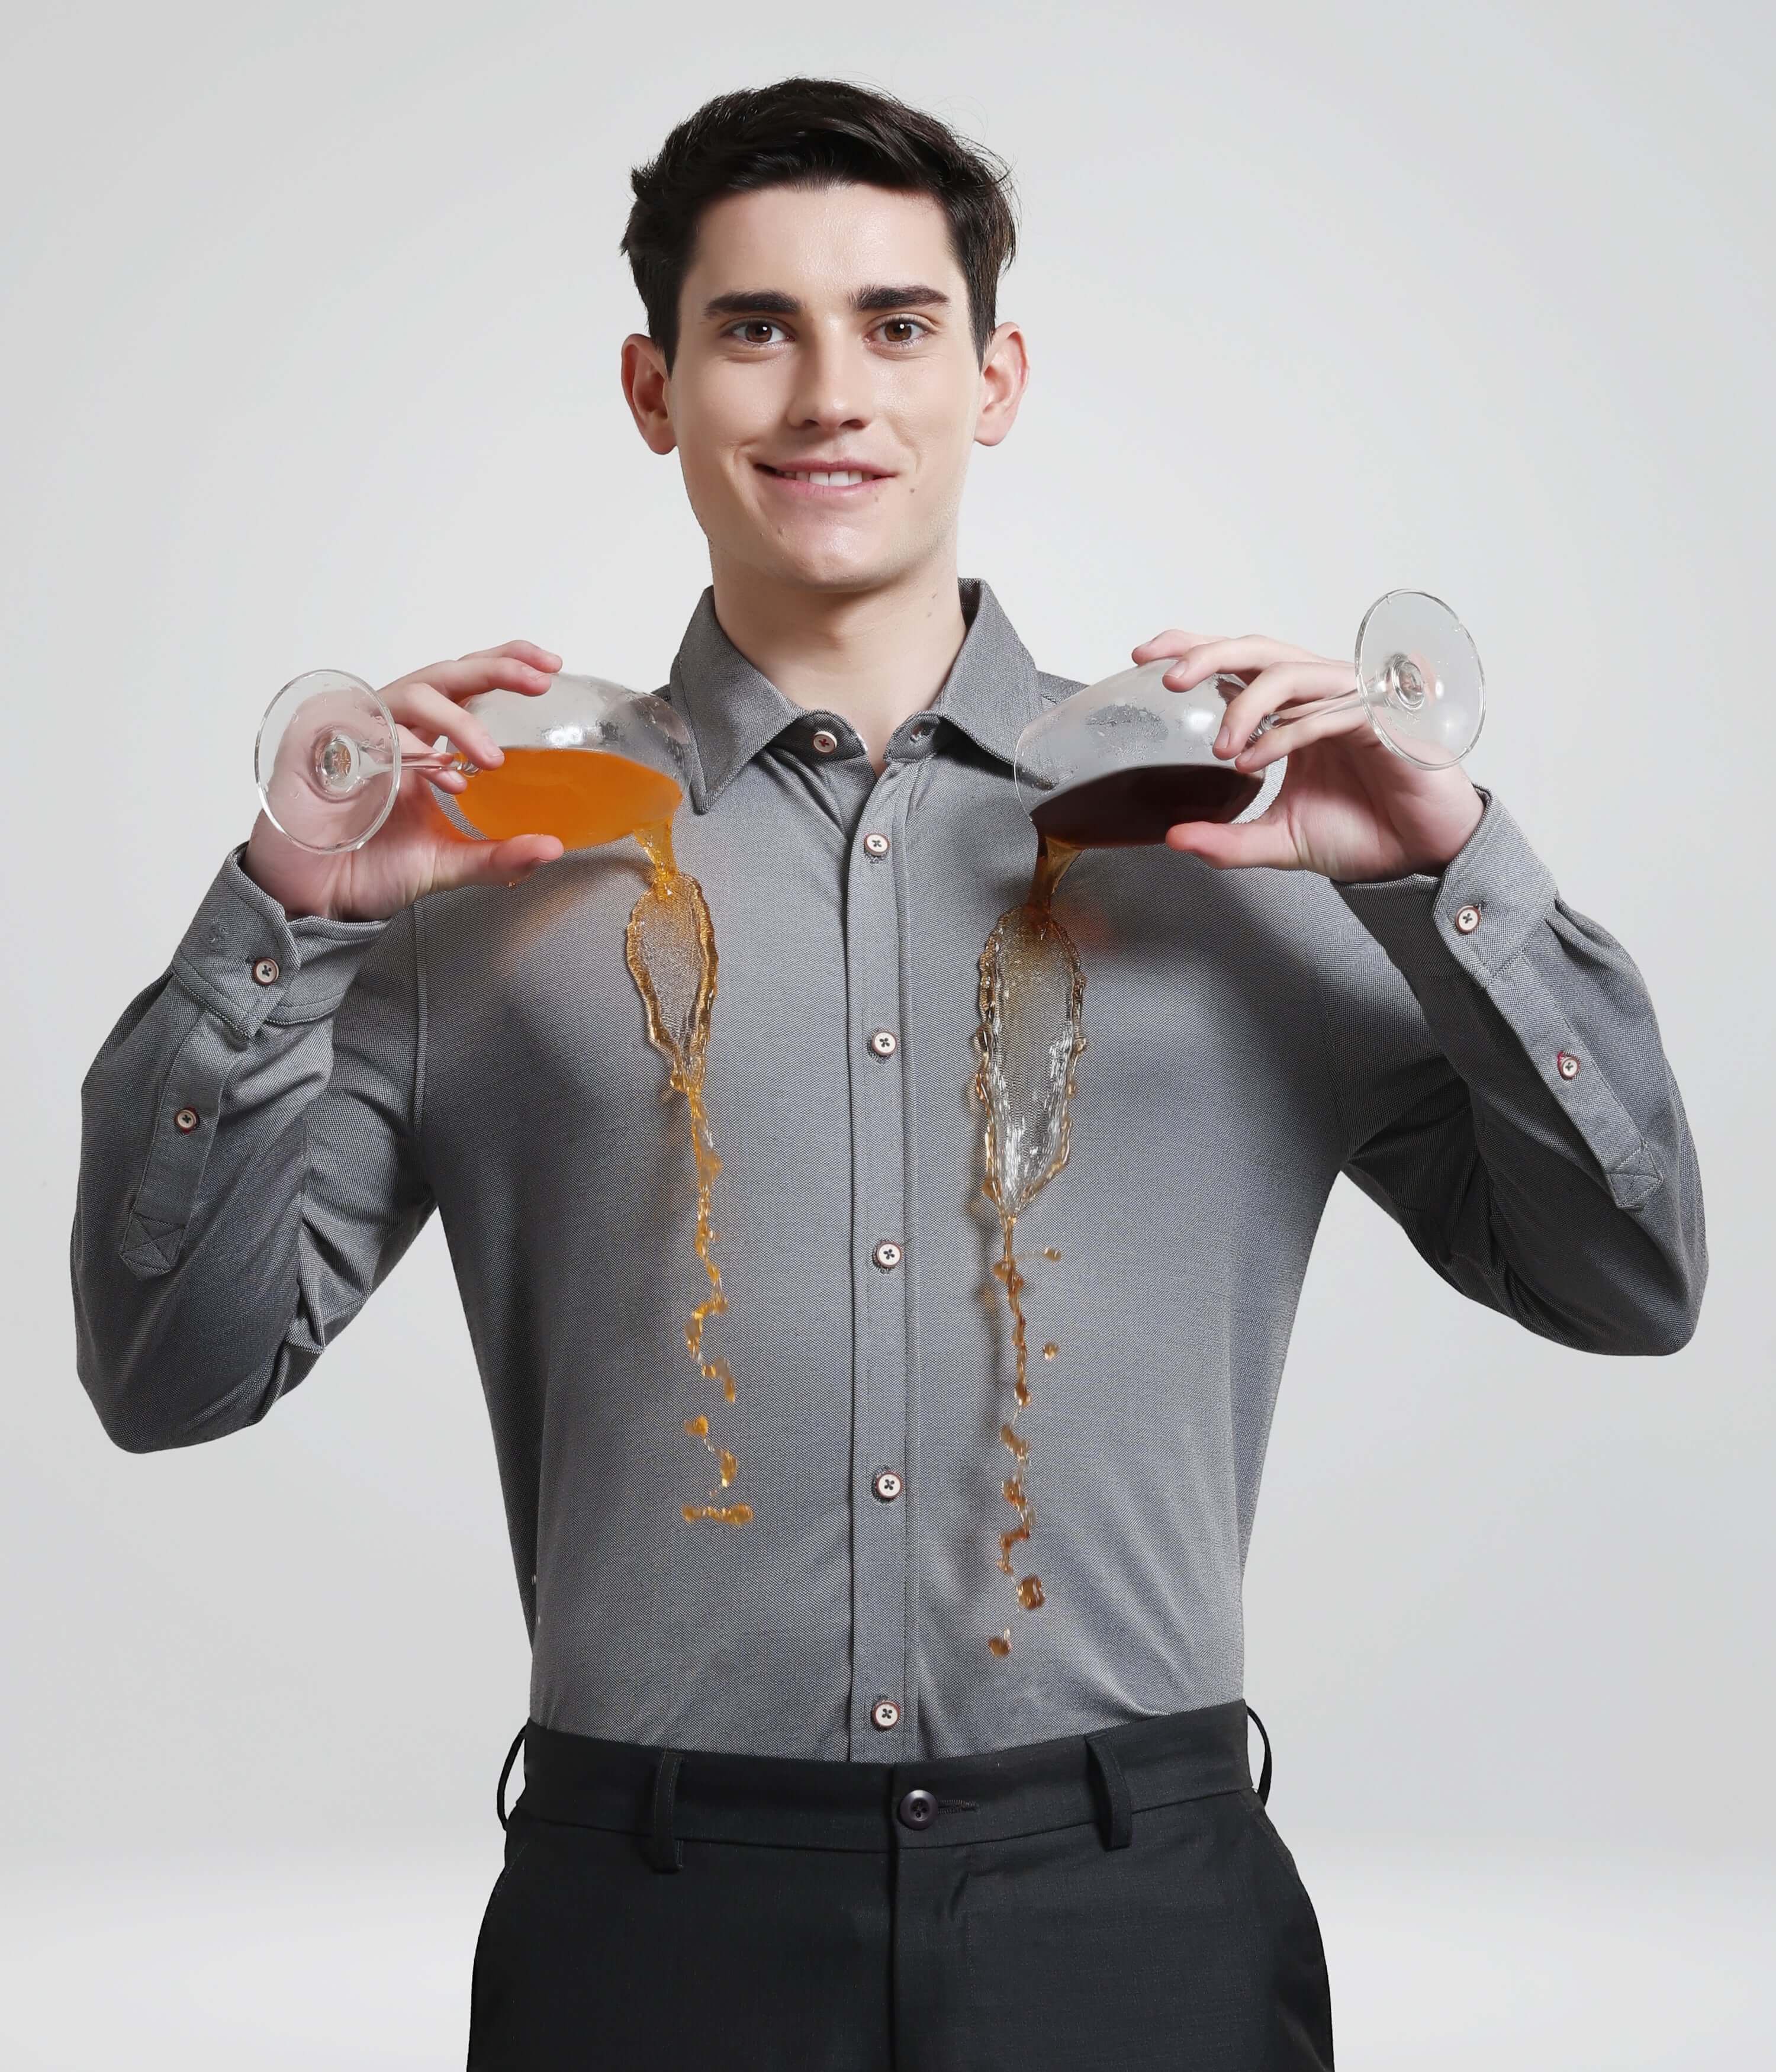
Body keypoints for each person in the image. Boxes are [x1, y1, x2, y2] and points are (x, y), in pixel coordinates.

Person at [70, 75, 1706, 2072]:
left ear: (994, 376)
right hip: (652, 1929)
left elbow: (1631, 1283)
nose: (830, 389)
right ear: (653, 387)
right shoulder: (470, 866)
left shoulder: (1251, 838)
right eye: (756, 326)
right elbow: (168, 1375)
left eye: (897, 323)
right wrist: (284, 908)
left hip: (1137, 1923)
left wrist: (1461, 874)